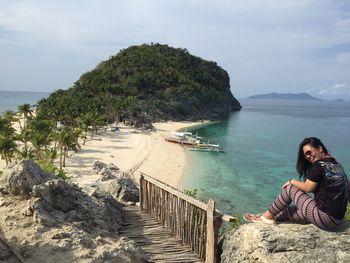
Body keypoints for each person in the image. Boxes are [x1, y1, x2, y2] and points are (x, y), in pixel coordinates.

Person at [244, 137, 349, 230]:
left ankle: (265, 217)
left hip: (324, 218)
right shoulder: (336, 164)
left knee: (290, 189)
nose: (308, 157)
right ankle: (266, 216)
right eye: (305, 155)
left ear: (320, 148)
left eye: (309, 152)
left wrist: (292, 181)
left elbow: (308, 188)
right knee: (292, 211)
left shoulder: (319, 165)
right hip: (336, 220)